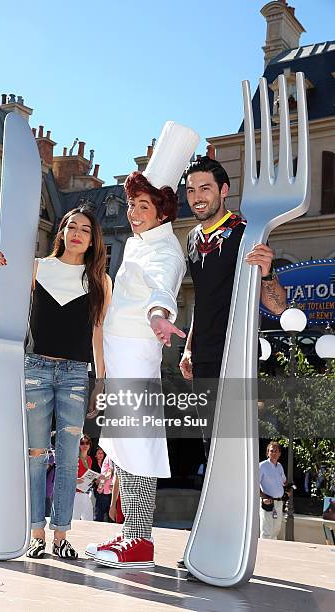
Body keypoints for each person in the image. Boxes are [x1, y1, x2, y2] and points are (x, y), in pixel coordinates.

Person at [87, 121, 199, 569]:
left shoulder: (166, 249)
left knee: (137, 446)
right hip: (119, 352)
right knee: (127, 448)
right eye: (132, 204)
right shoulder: (137, 244)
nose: (134, 212)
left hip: (135, 350)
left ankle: (140, 541)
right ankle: (132, 537)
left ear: (163, 209)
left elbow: (163, 287)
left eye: (143, 205)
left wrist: (159, 316)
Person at [177, 155, 287, 569]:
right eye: (191, 190)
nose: (197, 197)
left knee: (236, 447)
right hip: (203, 356)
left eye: (205, 188)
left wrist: (269, 270)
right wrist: (188, 346)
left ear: (224, 191)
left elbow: (277, 305)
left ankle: (236, 542)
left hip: (237, 354)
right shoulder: (191, 239)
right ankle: (212, 542)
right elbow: (203, 299)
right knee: (210, 446)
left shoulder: (247, 232)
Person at [0, 206, 111, 559]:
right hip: (35, 369)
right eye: (71, 226)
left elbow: (98, 333)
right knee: (36, 455)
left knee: (70, 459)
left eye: (85, 229)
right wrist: (0, 267)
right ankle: (37, 535)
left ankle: (61, 536)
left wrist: (100, 381)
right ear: (61, 232)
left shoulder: (100, 281)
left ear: (92, 240)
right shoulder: (38, 267)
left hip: (76, 374)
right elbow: (10, 297)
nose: (76, 233)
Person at [259, 441, 288, 539]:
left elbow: (284, 482)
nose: (274, 453)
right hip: (268, 502)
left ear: (279, 454)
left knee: (276, 530)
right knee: (267, 531)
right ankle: (264, 554)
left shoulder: (280, 466)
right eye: (272, 451)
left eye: (276, 451)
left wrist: (289, 490)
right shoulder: (262, 466)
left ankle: (272, 553)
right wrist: (263, 497)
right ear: (267, 453)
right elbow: (254, 485)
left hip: (279, 503)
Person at [72, 434, 94, 521]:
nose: (85, 445)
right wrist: (75, 480)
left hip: (86, 493)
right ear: (78, 444)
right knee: (75, 520)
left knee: (89, 520)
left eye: (87, 443)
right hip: (75, 494)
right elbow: (68, 475)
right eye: (82, 443)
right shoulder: (75, 458)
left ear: (90, 445)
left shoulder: (89, 459)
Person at [94, 453, 114, 522]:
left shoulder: (110, 457)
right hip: (107, 490)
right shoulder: (110, 457)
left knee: (99, 516)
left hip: (104, 490)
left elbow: (109, 473)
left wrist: (101, 486)